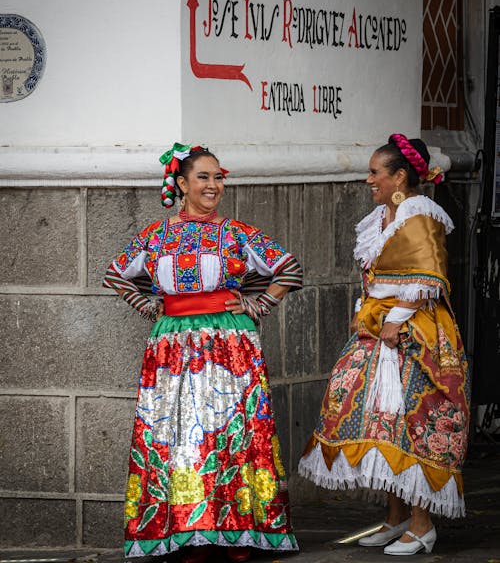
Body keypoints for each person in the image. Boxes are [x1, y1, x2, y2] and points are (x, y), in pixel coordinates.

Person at [103, 143, 302, 563]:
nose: (214, 186)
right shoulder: (158, 236)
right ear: (180, 184)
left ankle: (238, 531)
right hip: (171, 349)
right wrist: (147, 305)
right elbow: (116, 273)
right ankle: (190, 532)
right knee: (181, 437)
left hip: (229, 346)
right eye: (203, 178)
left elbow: (288, 268)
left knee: (229, 434)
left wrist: (256, 305)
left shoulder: (235, 233)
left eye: (218, 177)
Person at [298, 134, 470, 556]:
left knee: (413, 418)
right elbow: (377, 276)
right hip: (379, 328)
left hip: (415, 330)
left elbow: (428, 279)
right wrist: (369, 311)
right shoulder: (381, 218)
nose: (369, 178)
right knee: (376, 418)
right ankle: (395, 518)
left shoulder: (419, 215)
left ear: (399, 177)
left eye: (376, 171)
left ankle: (422, 523)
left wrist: (394, 320)